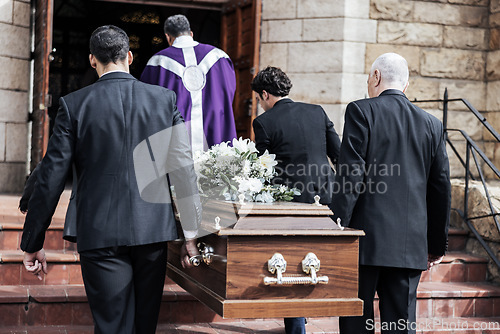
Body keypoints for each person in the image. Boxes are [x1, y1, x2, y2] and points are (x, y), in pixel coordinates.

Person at [20, 25, 201, 334]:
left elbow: (52, 174)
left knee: (113, 326)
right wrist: (192, 235)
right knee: (144, 326)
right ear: (129, 56)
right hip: (152, 232)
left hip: (99, 232)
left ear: (93, 60)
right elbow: (184, 168)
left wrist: (33, 240)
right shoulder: (164, 99)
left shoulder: (74, 104)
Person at [330, 53, 451, 334]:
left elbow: (350, 174)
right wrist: (435, 244)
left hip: (363, 240)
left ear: (376, 77)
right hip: (410, 245)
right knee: (400, 325)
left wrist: (338, 225)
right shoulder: (433, 124)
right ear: (406, 86)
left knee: (355, 321)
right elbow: (440, 186)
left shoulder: (361, 111)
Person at [251, 66, 341, 334]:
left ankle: (296, 326)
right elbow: (338, 153)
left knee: (293, 261)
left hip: (291, 201)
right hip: (327, 196)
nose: (259, 104)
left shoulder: (264, 123)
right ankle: (304, 316)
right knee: (319, 258)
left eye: (258, 98)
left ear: (265, 94)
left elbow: (263, 170)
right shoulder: (317, 111)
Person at [141, 14, 237, 154]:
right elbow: (229, 94)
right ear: (191, 33)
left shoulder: (157, 63)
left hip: (175, 145)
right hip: (216, 135)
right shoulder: (220, 57)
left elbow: (147, 105)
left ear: (168, 37)